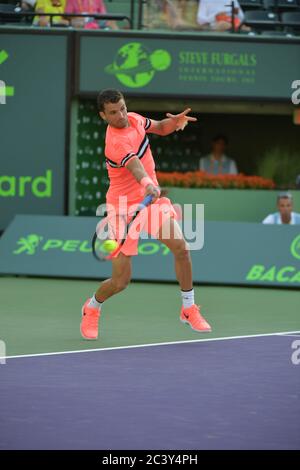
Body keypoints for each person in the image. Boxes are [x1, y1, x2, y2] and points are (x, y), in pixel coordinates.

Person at [80, 88, 212, 340]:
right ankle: (92, 307)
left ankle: (188, 308)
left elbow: (159, 127)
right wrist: (148, 184)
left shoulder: (135, 119)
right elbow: (136, 167)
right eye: (113, 113)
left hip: (150, 203)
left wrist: (174, 123)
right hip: (121, 208)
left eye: (122, 108)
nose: (121, 115)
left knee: (181, 248)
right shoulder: (116, 142)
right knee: (120, 281)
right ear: (102, 116)